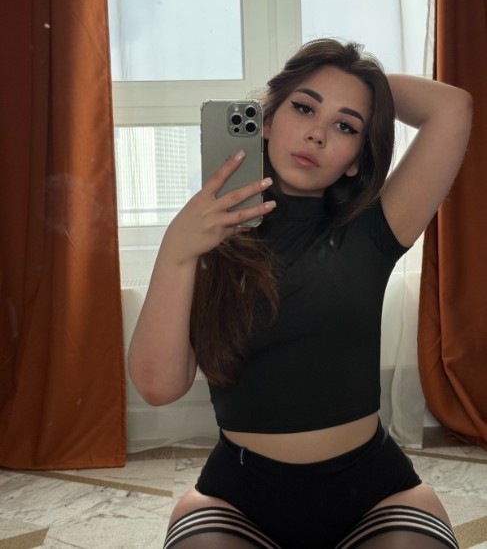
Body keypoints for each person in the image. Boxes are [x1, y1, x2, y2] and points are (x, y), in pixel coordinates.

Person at [128, 39, 472, 548]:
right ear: (266, 120)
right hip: (238, 498)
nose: (317, 133)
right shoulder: (205, 238)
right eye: (304, 107)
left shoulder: (375, 230)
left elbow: (452, 107)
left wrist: (367, 84)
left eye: (346, 126)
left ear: (355, 160)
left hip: (375, 494)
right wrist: (177, 250)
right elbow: (159, 387)